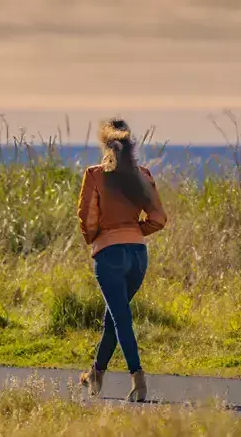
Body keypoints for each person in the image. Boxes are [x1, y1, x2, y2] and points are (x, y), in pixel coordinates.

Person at [76, 118, 168, 402]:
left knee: (121, 318)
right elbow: (158, 219)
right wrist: (133, 232)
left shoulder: (94, 175)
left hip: (110, 256)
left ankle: (138, 378)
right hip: (138, 256)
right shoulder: (142, 175)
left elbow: (87, 218)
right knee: (115, 316)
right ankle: (96, 373)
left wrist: (98, 237)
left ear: (106, 146)